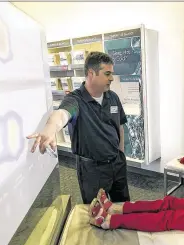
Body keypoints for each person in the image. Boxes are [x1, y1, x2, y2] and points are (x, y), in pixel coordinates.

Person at [27, 51, 130, 204]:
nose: (111, 78)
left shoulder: (112, 97)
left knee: (123, 206)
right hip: (92, 170)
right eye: (107, 73)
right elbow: (62, 114)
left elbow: (120, 127)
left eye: (111, 73)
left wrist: (121, 155)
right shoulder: (75, 100)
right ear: (91, 73)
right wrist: (50, 129)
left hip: (117, 163)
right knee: (97, 212)